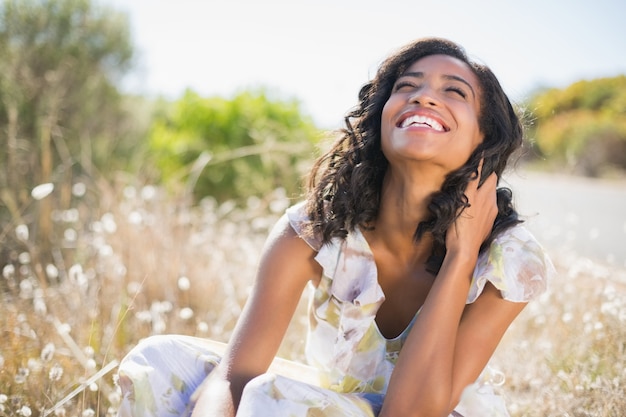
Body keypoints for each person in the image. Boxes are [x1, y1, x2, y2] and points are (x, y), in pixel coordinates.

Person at [116, 37, 555, 417]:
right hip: (338, 405)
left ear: (484, 137)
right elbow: (234, 377)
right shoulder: (314, 230)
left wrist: (460, 257)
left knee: (275, 400)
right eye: (407, 86)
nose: (424, 97)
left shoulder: (508, 258)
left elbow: (413, 412)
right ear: (381, 116)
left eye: (454, 91)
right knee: (160, 361)